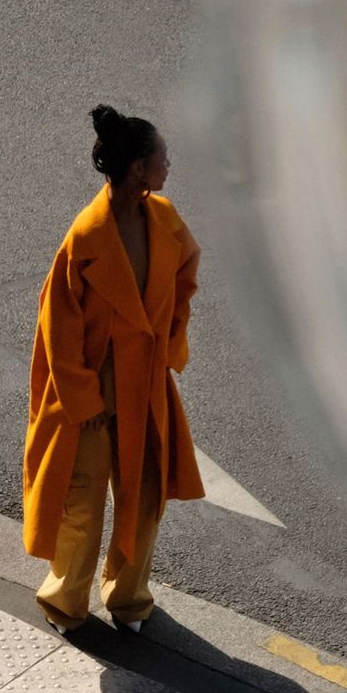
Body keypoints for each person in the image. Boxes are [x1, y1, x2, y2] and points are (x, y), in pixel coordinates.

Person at [23, 104, 205, 634]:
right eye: (162, 159)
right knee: (82, 499)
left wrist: (170, 340)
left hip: (145, 379)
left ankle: (129, 598)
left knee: (144, 496)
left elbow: (187, 273)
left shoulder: (165, 219)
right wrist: (84, 402)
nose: (169, 166)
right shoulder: (86, 238)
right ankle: (66, 600)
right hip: (94, 386)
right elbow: (57, 330)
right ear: (138, 171)